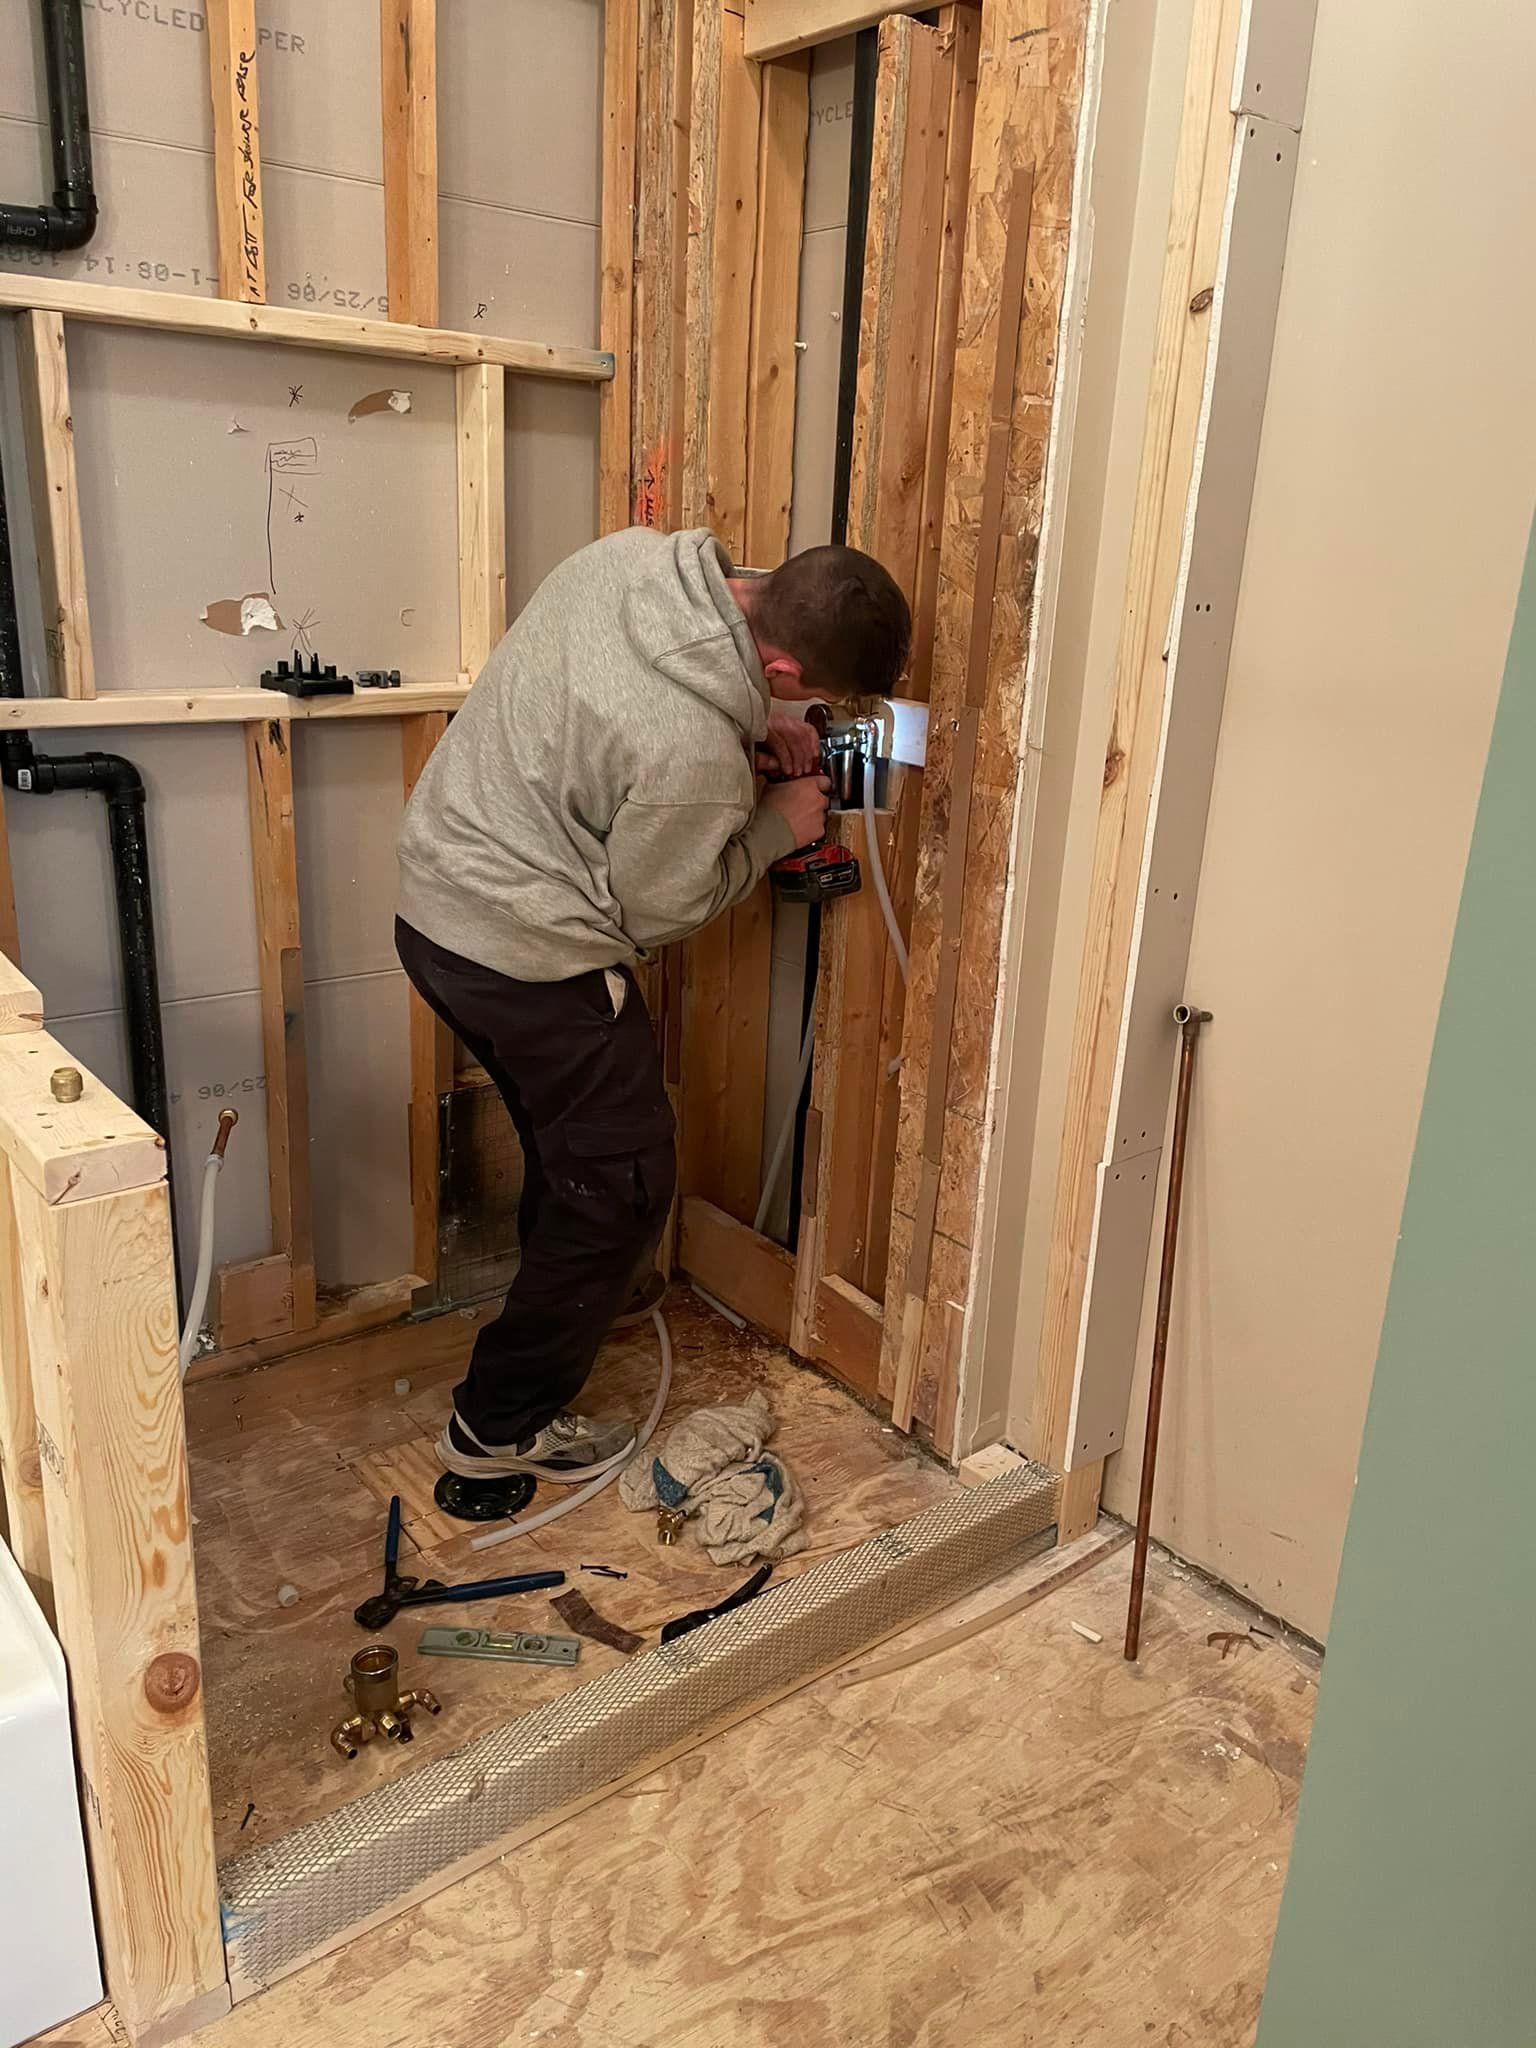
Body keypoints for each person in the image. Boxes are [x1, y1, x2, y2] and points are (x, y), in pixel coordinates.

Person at [395, 525, 911, 1483]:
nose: (816, 715)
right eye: (813, 697)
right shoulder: (690, 753)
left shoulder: (636, 560)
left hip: (435, 909)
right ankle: (496, 1429)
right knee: (626, 1181)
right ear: (787, 664)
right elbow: (657, 907)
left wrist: (757, 719)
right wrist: (774, 827)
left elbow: (627, 700)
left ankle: (582, 1287)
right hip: (525, 951)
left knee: (578, 1147)